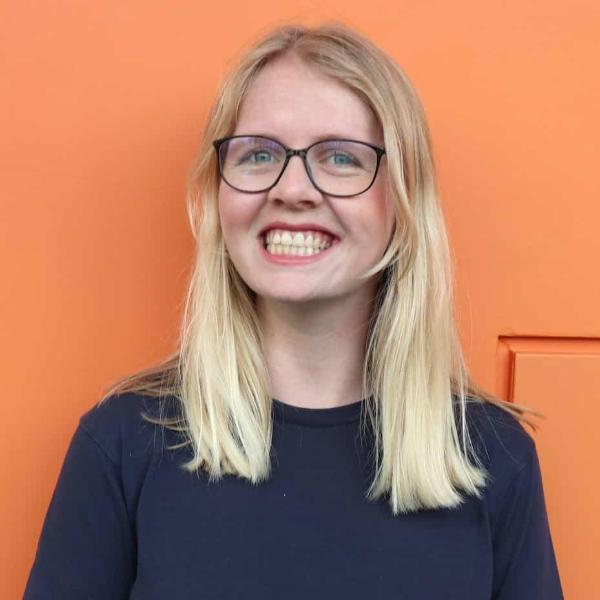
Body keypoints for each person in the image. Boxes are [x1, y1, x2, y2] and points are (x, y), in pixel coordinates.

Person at [24, 21, 563, 599]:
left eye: (341, 158)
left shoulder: (493, 458)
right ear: (219, 192)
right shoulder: (122, 445)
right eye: (259, 154)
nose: (292, 189)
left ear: (404, 200)